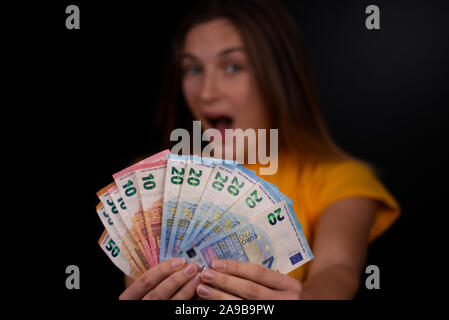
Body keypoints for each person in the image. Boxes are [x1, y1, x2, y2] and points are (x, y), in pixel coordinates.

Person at [119, 0, 400, 300]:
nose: (206, 92)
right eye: (193, 69)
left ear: (277, 78)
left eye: (233, 66)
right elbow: (138, 279)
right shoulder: (154, 181)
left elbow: (338, 271)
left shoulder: (339, 179)